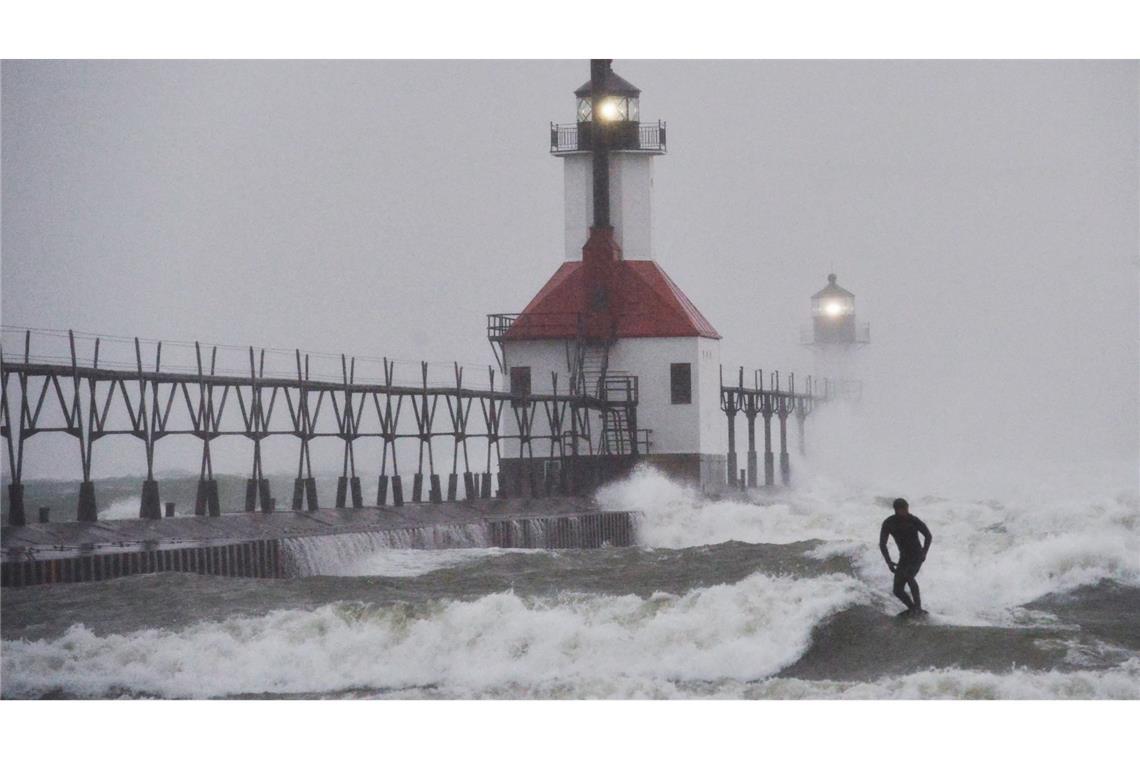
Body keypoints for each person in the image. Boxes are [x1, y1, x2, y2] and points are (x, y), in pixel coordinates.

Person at [879, 497, 932, 615]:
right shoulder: (889, 523)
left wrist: (924, 552)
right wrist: (888, 561)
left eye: (906, 509)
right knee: (897, 590)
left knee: (909, 576)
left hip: (917, 555)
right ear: (896, 510)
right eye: (902, 510)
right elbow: (882, 544)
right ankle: (912, 608)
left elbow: (928, 535)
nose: (905, 512)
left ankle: (918, 607)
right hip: (904, 557)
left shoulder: (913, 520)